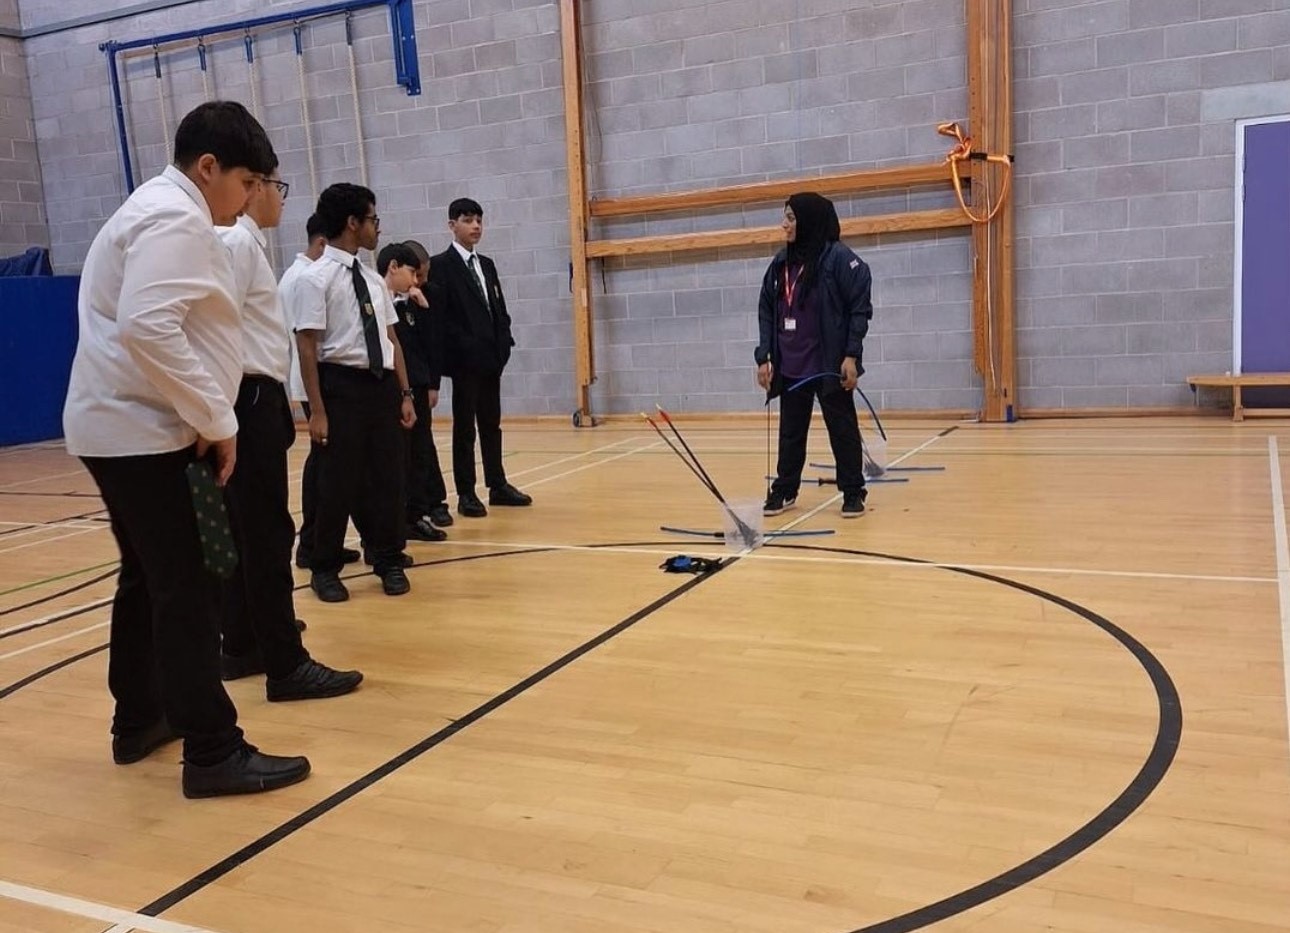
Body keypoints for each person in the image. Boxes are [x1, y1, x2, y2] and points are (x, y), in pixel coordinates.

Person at [62, 100, 310, 798]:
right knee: (195, 582)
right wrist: (216, 417)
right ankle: (211, 748)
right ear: (210, 167)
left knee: (149, 577)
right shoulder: (176, 216)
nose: (252, 196)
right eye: (248, 180)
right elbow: (150, 327)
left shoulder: (155, 207)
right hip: (149, 436)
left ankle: (141, 716)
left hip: (127, 429)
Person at [216, 170, 363, 699]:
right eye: (277, 185)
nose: (281, 197)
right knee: (264, 533)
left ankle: (246, 640)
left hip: (259, 396)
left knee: (248, 532)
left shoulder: (247, 245)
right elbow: (213, 327)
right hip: (246, 395)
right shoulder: (234, 241)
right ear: (251, 185)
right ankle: (284, 663)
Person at [289, 183, 417, 603]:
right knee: (336, 483)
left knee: (387, 477)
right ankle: (324, 566)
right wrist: (318, 411)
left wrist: (405, 392)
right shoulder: (315, 278)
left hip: (379, 388)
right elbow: (307, 347)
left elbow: (391, 339)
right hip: (340, 386)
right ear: (352, 223)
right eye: (373, 220)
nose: (377, 228)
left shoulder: (372, 280)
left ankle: (387, 557)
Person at [755, 192, 872, 519]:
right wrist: (763, 355)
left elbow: (860, 306)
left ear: (808, 220)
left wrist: (851, 354)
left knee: (842, 428)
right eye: (785, 217)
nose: (784, 224)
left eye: (791, 218)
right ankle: (785, 489)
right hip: (791, 365)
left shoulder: (837, 260)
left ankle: (852, 491)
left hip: (827, 364)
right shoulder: (781, 263)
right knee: (790, 431)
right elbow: (766, 307)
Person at [428, 197, 530, 518]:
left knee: (491, 423)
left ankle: (497, 484)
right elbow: (442, 319)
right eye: (468, 220)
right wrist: (464, 348)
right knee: (465, 428)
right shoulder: (441, 266)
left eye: (479, 220)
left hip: (491, 359)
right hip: (464, 362)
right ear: (452, 225)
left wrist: (504, 343)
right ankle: (466, 492)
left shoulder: (486, 264)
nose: (475, 226)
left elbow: (497, 308)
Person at [283, 214, 362, 570]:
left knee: (326, 468)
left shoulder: (302, 277)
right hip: (313, 384)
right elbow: (306, 343)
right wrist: (317, 406)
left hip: (315, 382)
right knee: (325, 471)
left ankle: (318, 541)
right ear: (321, 244)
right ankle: (312, 544)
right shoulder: (304, 277)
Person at [392, 239, 452, 535]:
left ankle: (433, 502)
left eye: (423, 276)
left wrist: (432, 384)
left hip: (419, 381)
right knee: (404, 452)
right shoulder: (389, 300)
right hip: (394, 387)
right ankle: (405, 512)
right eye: (416, 275)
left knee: (423, 445)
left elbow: (433, 344)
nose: (420, 281)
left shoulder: (425, 299)